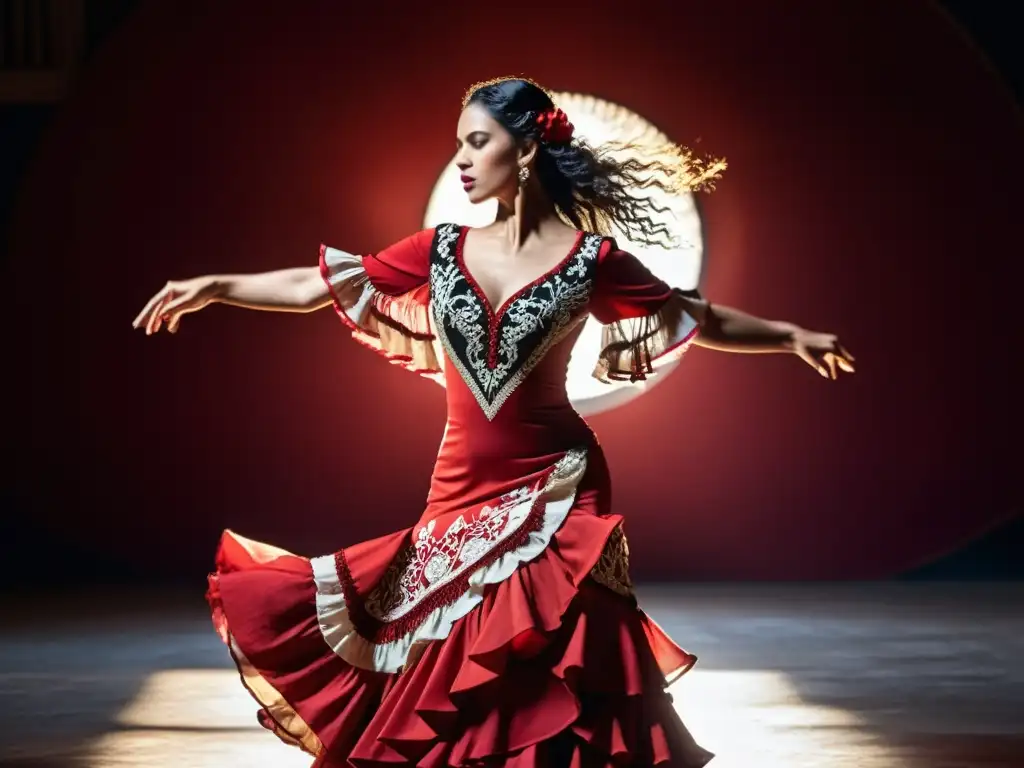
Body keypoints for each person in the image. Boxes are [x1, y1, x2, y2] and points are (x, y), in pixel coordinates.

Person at [132, 76, 854, 767]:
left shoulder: (591, 260)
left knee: (561, 655)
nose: (461, 160)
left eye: (476, 142)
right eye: (460, 144)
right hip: (459, 488)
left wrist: (791, 334)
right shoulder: (440, 250)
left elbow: (695, 315)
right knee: (458, 664)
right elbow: (314, 286)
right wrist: (217, 286)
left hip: (560, 485)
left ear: (527, 149)